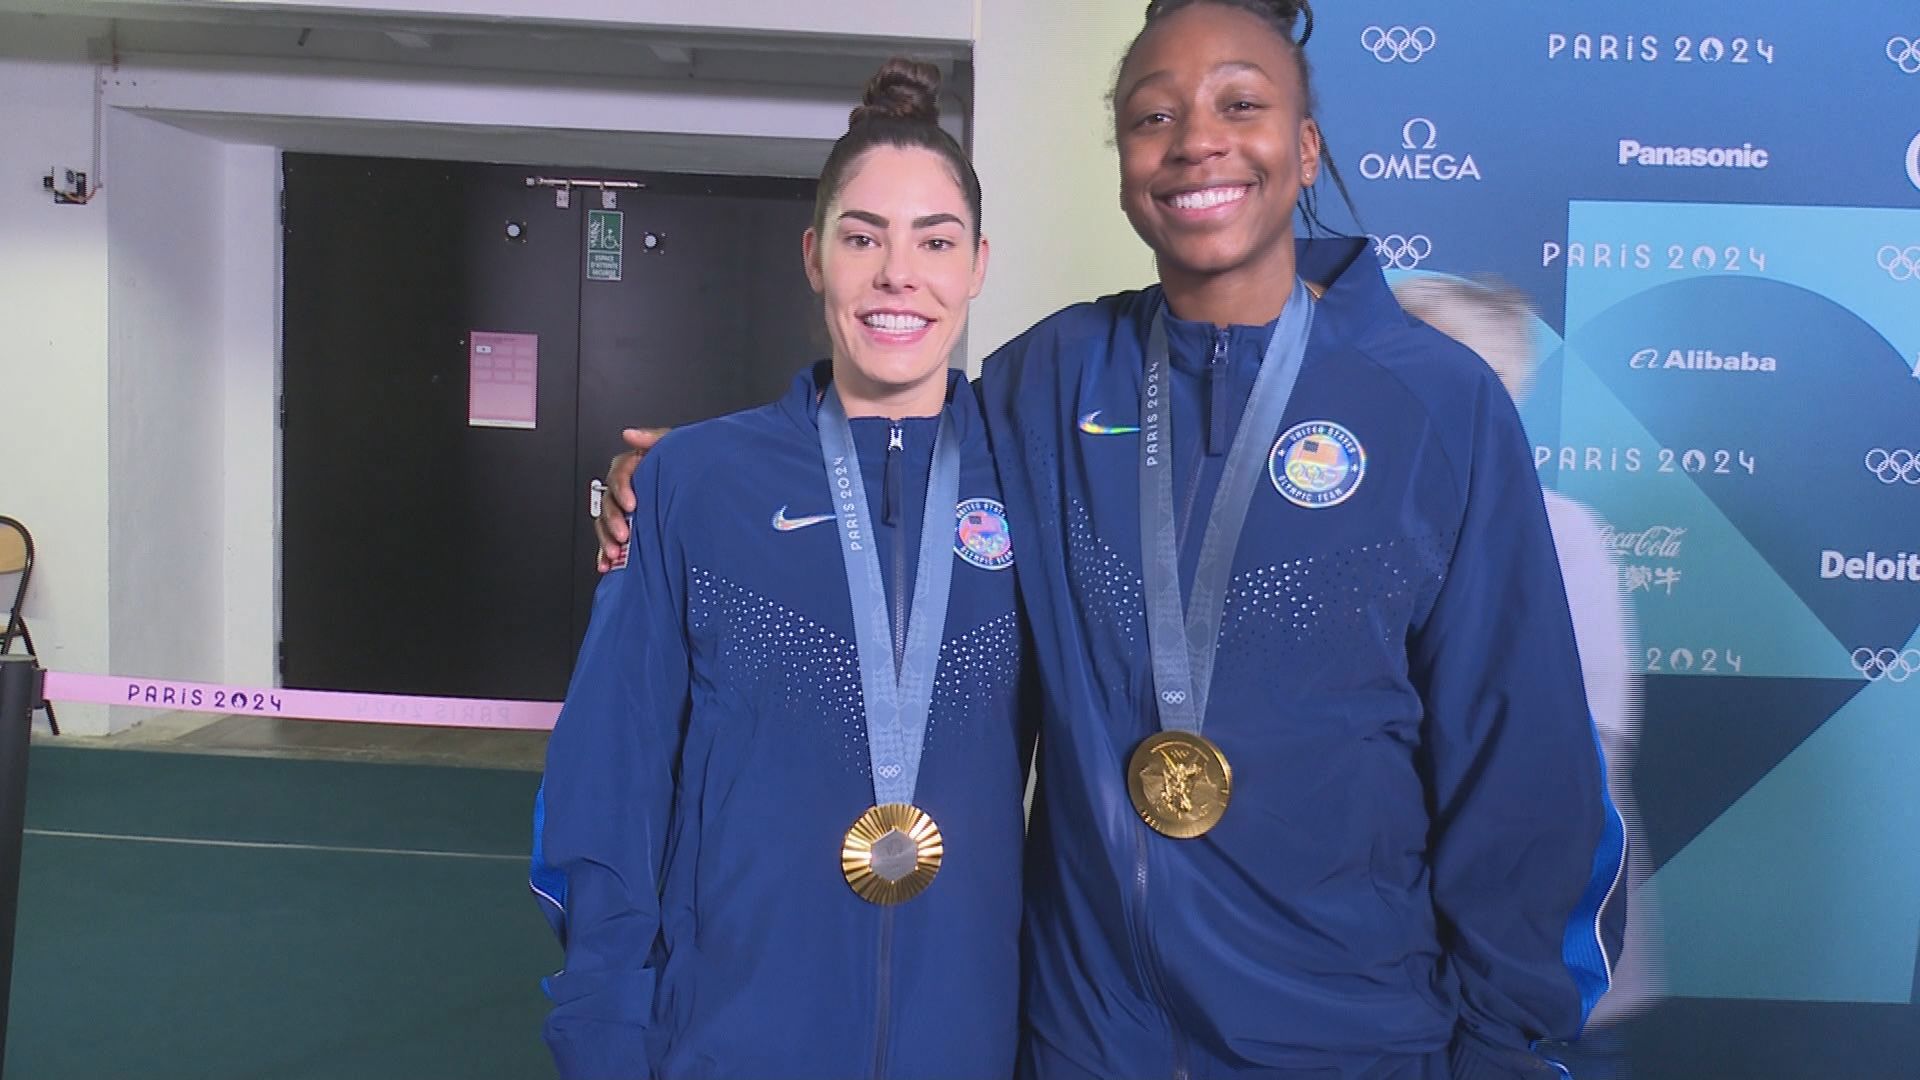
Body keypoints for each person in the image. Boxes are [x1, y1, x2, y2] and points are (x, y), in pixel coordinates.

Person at [597, 3, 1624, 1077]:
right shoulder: (1053, 378)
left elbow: (1526, 768)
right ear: (1126, 160)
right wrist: (682, 477)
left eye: (1242, 104)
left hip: (1349, 1040)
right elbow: (883, 451)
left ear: (1306, 143)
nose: (1196, 141)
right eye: (1153, 115)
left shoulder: (1437, 407)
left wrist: (1508, 1048)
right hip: (1087, 1042)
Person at [531, 59, 1035, 1080]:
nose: (899, 275)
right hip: (736, 1032)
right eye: (863, 238)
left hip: (970, 1034)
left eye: (934, 241)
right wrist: (607, 1029)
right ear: (815, 256)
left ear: (977, 263)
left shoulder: (1043, 479)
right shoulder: (694, 485)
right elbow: (610, 782)